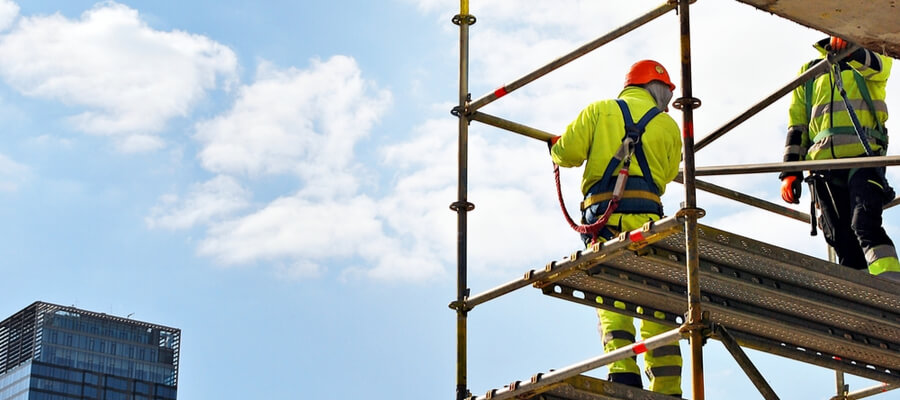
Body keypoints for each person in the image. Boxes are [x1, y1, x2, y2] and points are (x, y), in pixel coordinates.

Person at [549, 60, 683, 396]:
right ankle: (668, 388)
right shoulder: (667, 126)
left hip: (604, 222)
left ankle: (623, 374)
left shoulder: (599, 111)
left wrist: (555, 145)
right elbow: (666, 174)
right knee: (657, 302)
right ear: (659, 90)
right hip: (650, 222)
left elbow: (566, 153)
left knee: (613, 298)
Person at [779, 37, 900, 280]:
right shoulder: (810, 71)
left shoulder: (873, 56)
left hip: (864, 159)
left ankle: (891, 284)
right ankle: (858, 293)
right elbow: (798, 125)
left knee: (864, 221)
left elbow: (878, 65)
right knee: (839, 236)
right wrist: (791, 172)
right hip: (823, 166)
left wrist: (851, 49)